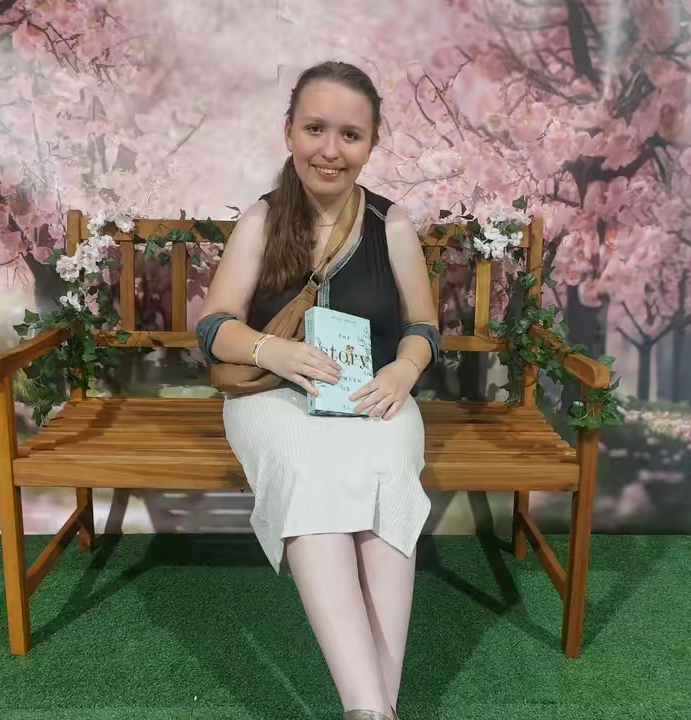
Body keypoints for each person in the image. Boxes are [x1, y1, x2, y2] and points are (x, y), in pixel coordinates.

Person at [196, 60, 440, 720]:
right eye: (315, 129)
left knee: (387, 466)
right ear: (289, 132)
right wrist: (271, 349)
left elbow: (423, 326)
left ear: (371, 144)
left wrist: (403, 370)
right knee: (308, 470)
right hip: (271, 398)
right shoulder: (262, 219)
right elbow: (213, 328)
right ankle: (373, 709)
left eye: (350, 135)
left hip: (374, 395)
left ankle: (369, 711)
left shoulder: (391, 225)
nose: (330, 150)